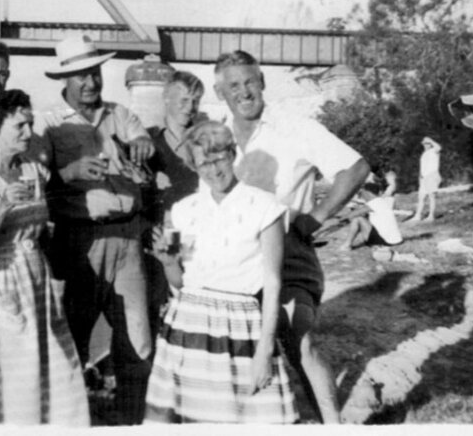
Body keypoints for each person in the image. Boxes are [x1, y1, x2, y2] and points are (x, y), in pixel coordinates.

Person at [213, 50, 370, 424]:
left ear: (263, 82)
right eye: (234, 85)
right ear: (221, 93)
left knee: (299, 340)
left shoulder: (294, 126)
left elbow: (356, 167)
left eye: (251, 82)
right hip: (235, 260)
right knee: (237, 350)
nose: (245, 92)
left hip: (286, 252)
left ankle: (333, 424)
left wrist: (314, 219)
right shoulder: (216, 132)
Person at [31, 35, 156, 425]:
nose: (90, 82)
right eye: (81, 76)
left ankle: (133, 419)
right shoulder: (47, 124)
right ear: (64, 80)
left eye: (95, 73)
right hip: (77, 243)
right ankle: (72, 423)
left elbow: (144, 141)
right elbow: (33, 184)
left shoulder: (120, 113)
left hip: (128, 238)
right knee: (73, 340)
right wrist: (68, 173)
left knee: (137, 339)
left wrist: (140, 146)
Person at [144, 121, 297, 424]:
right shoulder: (182, 210)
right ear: (193, 166)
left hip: (240, 329)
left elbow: (272, 283)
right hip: (188, 326)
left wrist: (265, 351)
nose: (213, 170)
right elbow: (179, 283)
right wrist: (167, 261)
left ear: (232, 153)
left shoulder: (264, 206)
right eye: (203, 163)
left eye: (219, 159)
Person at [0, 87, 89, 426]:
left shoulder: (34, 170)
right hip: (1, 280)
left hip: (38, 278)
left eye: (30, 124)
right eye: (18, 125)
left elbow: (46, 227)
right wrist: (4, 205)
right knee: (16, 375)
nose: (27, 133)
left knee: (57, 365)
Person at [144, 71, 206, 329]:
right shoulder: (148, 143)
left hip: (196, 233)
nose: (189, 108)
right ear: (166, 99)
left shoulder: (203, 143)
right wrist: (150, 184)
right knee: (157, 300)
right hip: (163, 231)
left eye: (194, 102)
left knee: (191, 300)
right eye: (182, 101)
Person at [339, 171, 403, 251]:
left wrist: (339, 220)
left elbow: (352, 215)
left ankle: (347, 245)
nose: (361, 196)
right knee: (361, 218)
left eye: (361, 194)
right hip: (395, 240)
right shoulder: (381, 202)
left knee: (357, 219)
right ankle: (348, 244)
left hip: (386, 242)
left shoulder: (374, 203)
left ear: (367, 193)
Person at [410, 137, 441, 222]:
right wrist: (420, 177)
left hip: (432, 175)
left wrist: (431, 140)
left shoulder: (434, 151)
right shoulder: (424, 154)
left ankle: (431, 216)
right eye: (424, 143)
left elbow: (439, 147)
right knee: (421, 197)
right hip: (424, 177)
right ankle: (418, 216)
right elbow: (422, 167)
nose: (425, 145)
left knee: (431, 196)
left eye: (427, 143)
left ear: (431, 144)